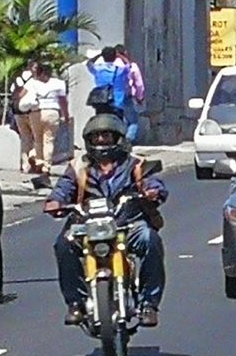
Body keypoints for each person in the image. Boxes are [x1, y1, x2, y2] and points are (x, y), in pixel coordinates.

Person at [43, 115, 167, 327]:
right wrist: (55, 202)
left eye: (106, 135)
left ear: (118, 138)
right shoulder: (78, 167)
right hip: (86, 224)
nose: (101, 140)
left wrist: (152, 191)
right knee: (63, 244)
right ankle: (76, 303)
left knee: (150, 239)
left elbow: (154, 183)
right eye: (96, 136)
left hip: (128, 224)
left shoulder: (135, 165)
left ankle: (148, 304)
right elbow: (62, 190)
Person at [22, 63, 69, 176]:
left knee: (37, 139)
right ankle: (46, 167)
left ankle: (39, 162)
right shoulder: (59, 83)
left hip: (36, 112)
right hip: (52, 112)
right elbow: (63, 100)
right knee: (49, 140)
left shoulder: (32, 82)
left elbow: (22, 95)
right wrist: (65, 115)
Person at [85, 46, 130, 118]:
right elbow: (128, 65)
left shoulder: (98, 69)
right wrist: (120, 56)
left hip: (101, 102)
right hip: (117, 102)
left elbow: (89, 63)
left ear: (103, 57)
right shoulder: (120, 70)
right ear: (115, 57)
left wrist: (99, 55)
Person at [10, 61, 37, 172]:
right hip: (32, 111)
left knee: (25, 139)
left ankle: (25, 165)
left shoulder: (17, 78)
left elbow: (14, 95)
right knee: (36, 138)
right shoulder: (35, 79)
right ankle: (33, 159)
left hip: (18, 112)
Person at [116, 45, 146, 143]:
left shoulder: (107, 65)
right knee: (132, 121)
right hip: (126, 96)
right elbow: (139, 84)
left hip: (109, 97)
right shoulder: (131, 66)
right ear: (125, 53)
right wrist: (139, 97)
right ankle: (127, 141)